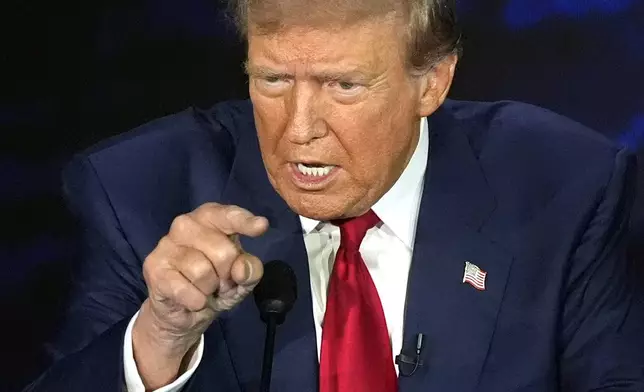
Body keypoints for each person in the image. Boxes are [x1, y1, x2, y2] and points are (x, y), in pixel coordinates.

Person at [26, 0, 644, 391]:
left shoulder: (564, 187)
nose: (298, 129)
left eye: (343, 85)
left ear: (432, 82)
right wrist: (159, 337)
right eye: (272, 79)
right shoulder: (140, 191)